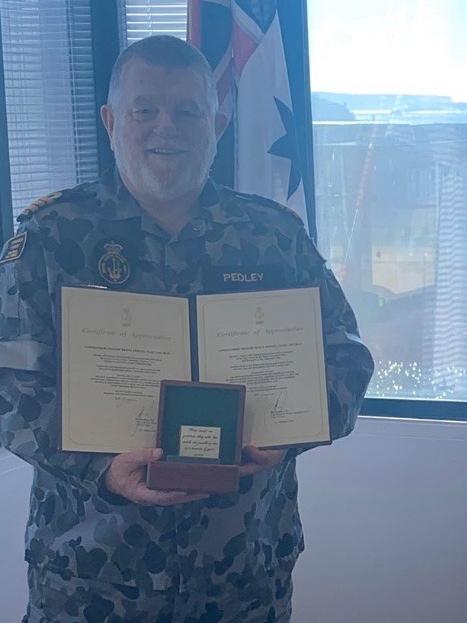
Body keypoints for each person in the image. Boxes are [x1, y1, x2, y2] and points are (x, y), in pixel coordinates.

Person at [0, 35, 373, 623]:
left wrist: (292, 424)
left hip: (242, 574)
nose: (163, 128)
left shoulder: (272, 236)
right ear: (110, 120)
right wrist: (99, 468)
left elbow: (347, 359)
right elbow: (8, 384)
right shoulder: (50, 239)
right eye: (143, 109)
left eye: (186, 110)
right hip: (93, 576)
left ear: (217, 121)